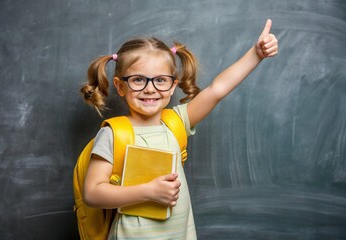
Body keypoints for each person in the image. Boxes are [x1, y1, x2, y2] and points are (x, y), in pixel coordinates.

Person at [81, 19, 278, 239]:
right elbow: (92, 193)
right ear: (120, 86)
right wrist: (147, 192)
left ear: (173, 85)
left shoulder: (176, 122)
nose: (150, 89)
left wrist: (256, 54)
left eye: (161, 80)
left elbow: (217, 89)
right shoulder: (113, 134)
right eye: (138, 80)